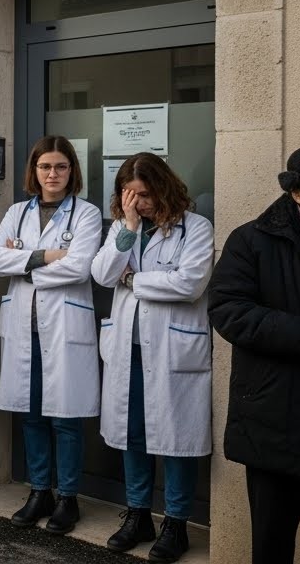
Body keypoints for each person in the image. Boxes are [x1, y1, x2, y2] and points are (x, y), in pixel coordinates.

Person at [209, 142, 300, 564]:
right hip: (277, 413)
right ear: (295, 192)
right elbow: (227, 310)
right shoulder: (253, 240)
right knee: (273, 540)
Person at [90, 152, 213, 561]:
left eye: (143, 195)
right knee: (133, 434)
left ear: (162, 187)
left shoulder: (195, 228)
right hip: (128, 347)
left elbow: (189, 284)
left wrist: (133, 279)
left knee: (177, 438)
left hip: (173, 349)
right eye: (129, 196)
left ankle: (175, 523)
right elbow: (104, 275)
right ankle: (138, 513)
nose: (138, 204)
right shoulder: (124, 229)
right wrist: (125, 230)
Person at [0, 136, 102, 535]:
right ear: (33, 172)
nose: (52, 174)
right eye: (45, 167)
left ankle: (67, 497)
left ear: (73, 171)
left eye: (60, 167)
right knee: (30, 413)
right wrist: (47, 256)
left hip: (65, 326)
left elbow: (80, 268)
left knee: (65, 417)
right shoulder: (17, 212)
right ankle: (40, 491)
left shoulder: (86, 214)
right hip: (24, 327)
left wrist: (23, 264)